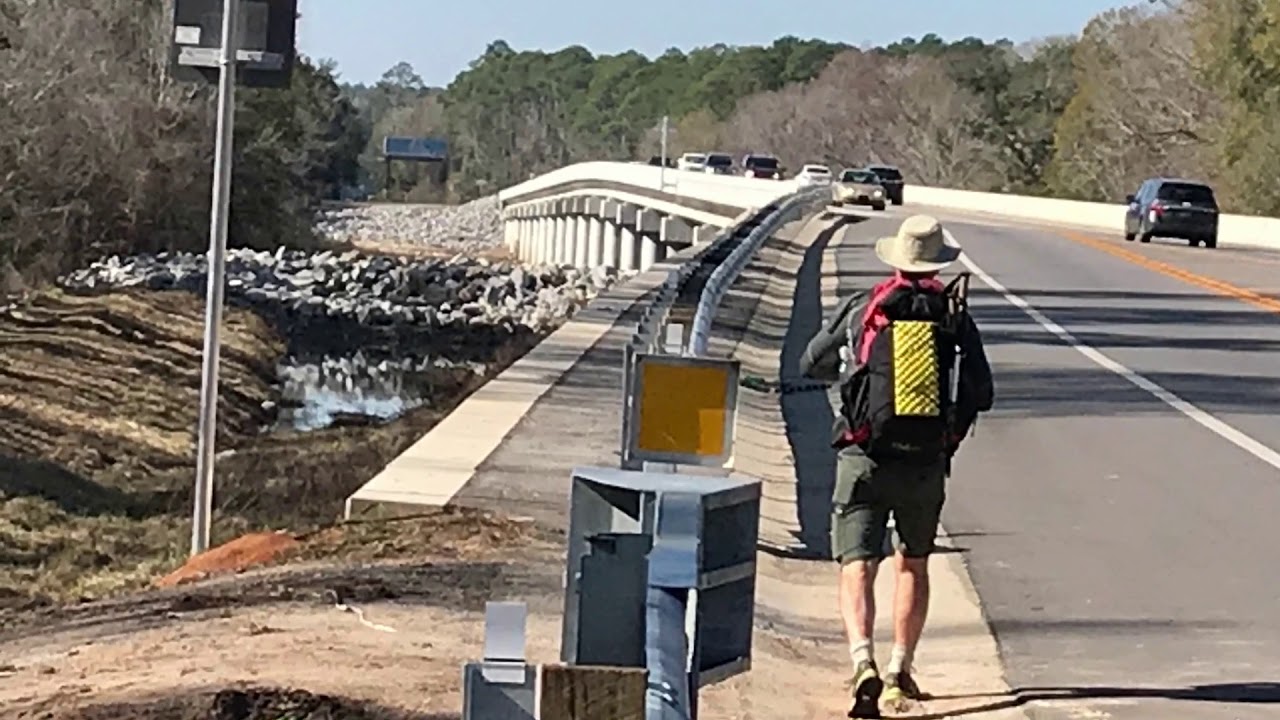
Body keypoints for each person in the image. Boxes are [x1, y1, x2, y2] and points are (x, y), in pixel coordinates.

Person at [799, 214, 994, 717]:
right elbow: (981, 391)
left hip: (862, 455)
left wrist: (850, 371)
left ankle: (861, 661)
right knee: (913, 563)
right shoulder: (952, 315)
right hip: (925, 462)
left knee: (856, 565)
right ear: (937, 263)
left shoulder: (865, 307)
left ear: (895, 258)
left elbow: (810, 363)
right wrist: (947, 434)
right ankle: (898, 672)